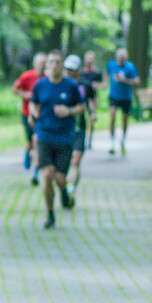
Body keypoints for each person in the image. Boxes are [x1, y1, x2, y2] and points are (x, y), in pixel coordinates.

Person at [30, 50, 86, 229]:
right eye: (51, 62)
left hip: (64, 137)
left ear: (62, 65)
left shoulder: (70, 85)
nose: (54, 65)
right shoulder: (40, 85)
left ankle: (63, 192)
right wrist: (32, 111)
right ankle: (50, 215)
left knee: (60, 178)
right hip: (45, 134)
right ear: (47, 65)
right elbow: (33, 101)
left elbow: (81, 106)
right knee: (47, 175)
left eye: (58, 62)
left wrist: (69, 111)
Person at [63, 54, 95, 205]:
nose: (70, 72)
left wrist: (93, 113)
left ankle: (70, 191)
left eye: (73, 69)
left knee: (75, 159)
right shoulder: (60, 84)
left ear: (78, 70)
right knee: (65, 163)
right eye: (67, 69)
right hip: (62, 128)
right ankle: (66, 187)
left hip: (79, 127)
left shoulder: (85, 85)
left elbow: (90, 102)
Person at [12, 52, 46, 184]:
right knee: (31, 142)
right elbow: (15, 89)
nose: (41, 66)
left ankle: (36, 173)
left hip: (42, 115)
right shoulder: (27, 76)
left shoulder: (47, 78)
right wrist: (25, 94)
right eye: (39, 63)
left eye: (44, 64)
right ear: (34, 64)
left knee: (36, 140)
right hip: (27, 113)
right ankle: (27, 152)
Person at [106, 47, 139, 154]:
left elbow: (137, 82)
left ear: (126, 58)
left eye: (123, 57)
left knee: (124, 119)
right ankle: (112, 142)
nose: (121, 59)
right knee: (112, 116)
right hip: (114, 96)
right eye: (120, 57)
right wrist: (104, 82)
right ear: (116, 57)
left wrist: (123, 80)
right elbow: (106, 73)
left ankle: (123, 140)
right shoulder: (111, 65)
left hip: (126, 97)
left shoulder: (130, 67)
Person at [79, 50, 102, 149]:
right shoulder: (81, 72)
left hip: (92, 98)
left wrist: (97, 85)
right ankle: (81, 139)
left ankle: (90, 140)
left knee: (92, 119)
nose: (89, 62)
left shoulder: (96, 72)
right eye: (87, 60)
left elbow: (102, 84)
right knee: (80, 119)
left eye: (91, 60)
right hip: (82, 98)